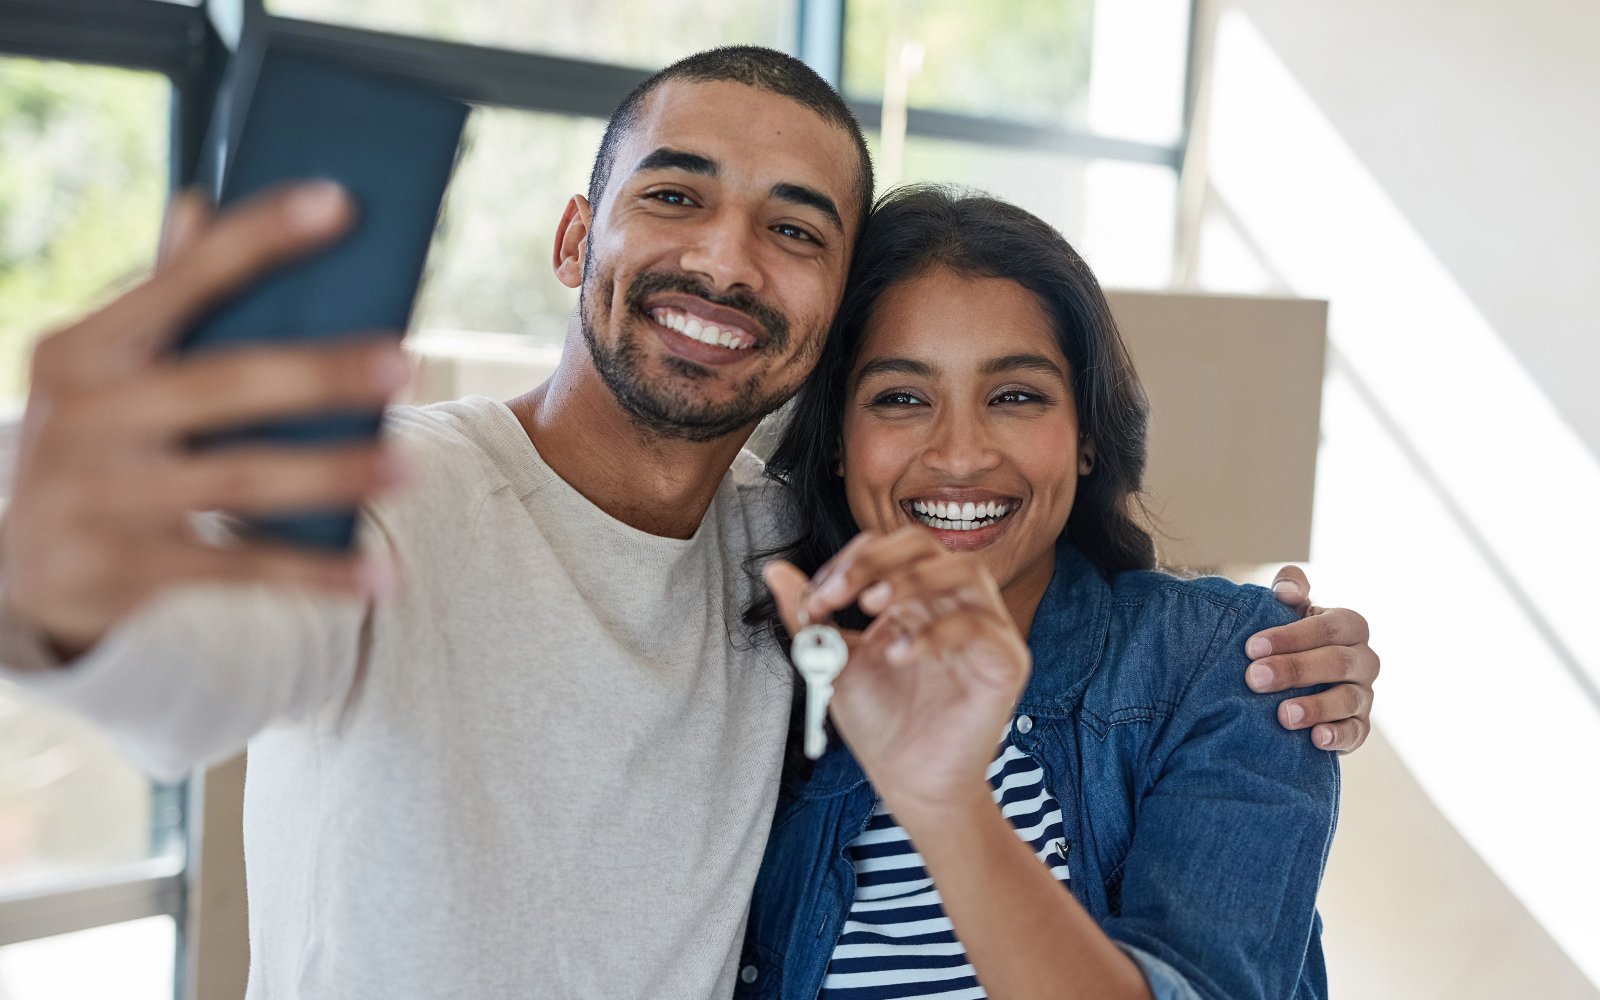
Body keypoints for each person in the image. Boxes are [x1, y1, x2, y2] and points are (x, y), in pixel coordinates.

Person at [0, 48, 1374, 996]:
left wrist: (1288, 648)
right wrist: (56, 585)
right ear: (571, 243)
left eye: (793, 228)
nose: (723, 258)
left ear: (829, 312)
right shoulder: (395, 498)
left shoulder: (803, 580)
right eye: (675, 196)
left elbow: (1012, 564)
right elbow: (193, 670)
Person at [741, 186, 1341, 999]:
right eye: (901, 397)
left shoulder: (1231, 667)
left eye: (1016, 395)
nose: (958, 454)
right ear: (840, 443)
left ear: (1088, 435)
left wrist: (948, 802)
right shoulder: (756, 680)